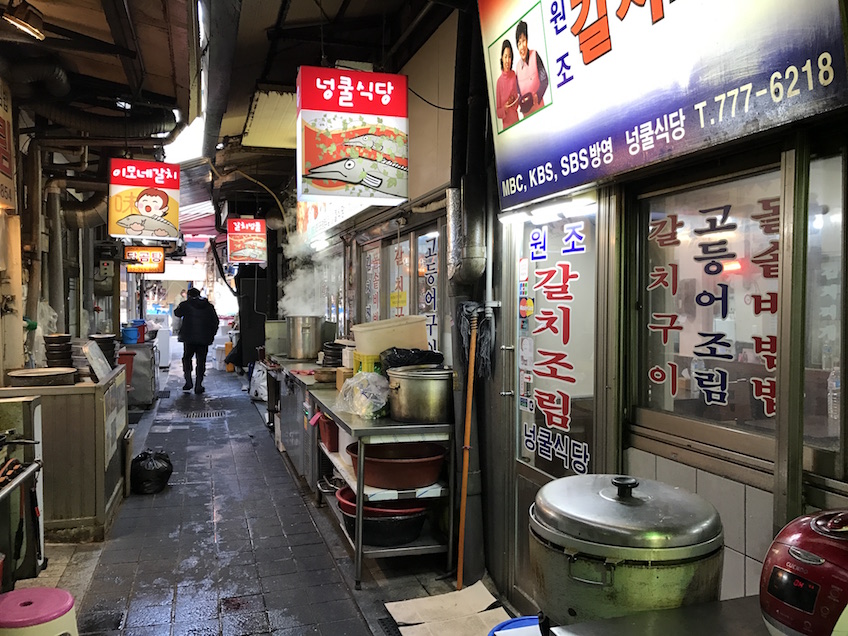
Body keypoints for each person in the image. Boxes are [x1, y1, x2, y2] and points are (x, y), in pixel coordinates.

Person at [174, 287, 219, 394]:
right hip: (204, 339)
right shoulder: (209, 306)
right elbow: (216, 322)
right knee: (201, 361)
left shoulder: (186, 305)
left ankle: (188, 381)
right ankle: (198, 385)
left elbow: (177, 313)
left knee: (187, 358)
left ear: (189, 295)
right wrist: (211, 335)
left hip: (189, 338)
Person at [515, 20, 548, 118]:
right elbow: (518, 91)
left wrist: (536, 96)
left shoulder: (535, 55)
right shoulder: (517, 67)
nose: (522, 46)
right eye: (519, 43)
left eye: (524, 41)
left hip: (540, 111)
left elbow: (544, 80)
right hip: (527, 117)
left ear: (527, 41)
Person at [496, 39, 521, 130]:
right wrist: (505, 108)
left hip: (516, 122)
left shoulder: (514, 75)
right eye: (505, 56)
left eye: (509, 57)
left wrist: (514, 100)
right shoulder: (499, 82)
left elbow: (519, 97)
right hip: (506, 128)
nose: (507, 60)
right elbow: (498, 112)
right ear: (502, 58)